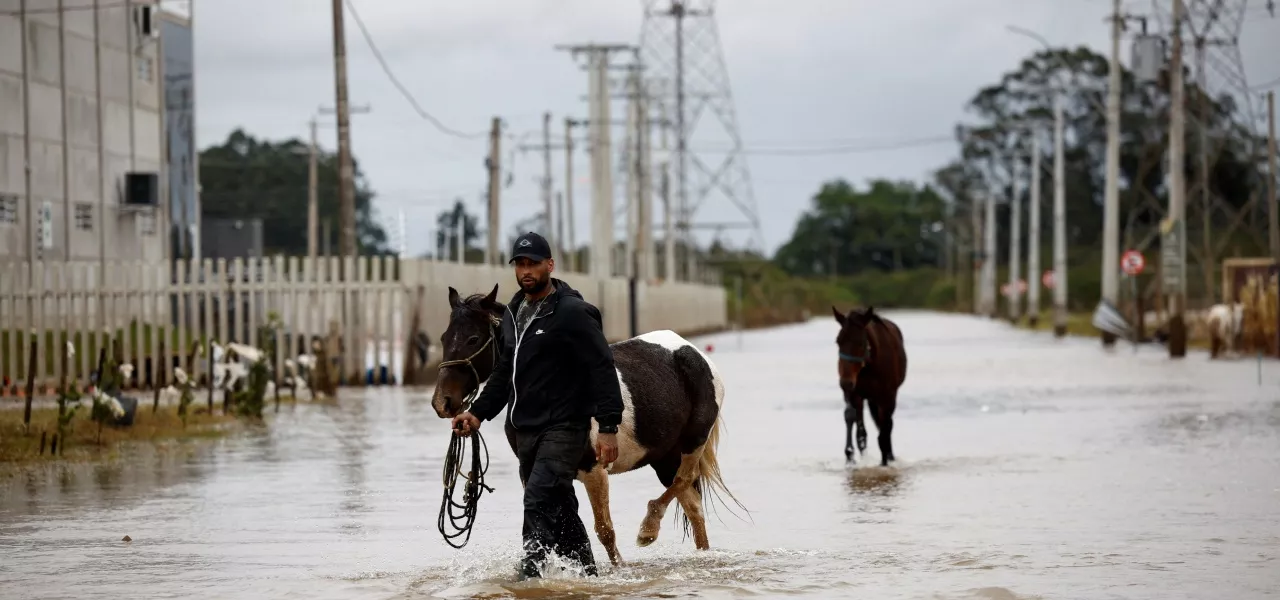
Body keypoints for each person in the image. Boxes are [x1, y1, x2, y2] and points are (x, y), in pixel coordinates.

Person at [451, 231, 623, 579]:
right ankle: (588, 577)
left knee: (537, 500)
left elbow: (602, 366)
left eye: (533, 263)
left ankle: (529, 581)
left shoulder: (572, 312)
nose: (526, 271)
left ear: (550, 265)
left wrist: (608, 427)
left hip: (564, 427)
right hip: (525, 429)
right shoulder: (515, 313)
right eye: (520, 264)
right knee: (560, 508)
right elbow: (504, 372)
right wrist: (477, 413)